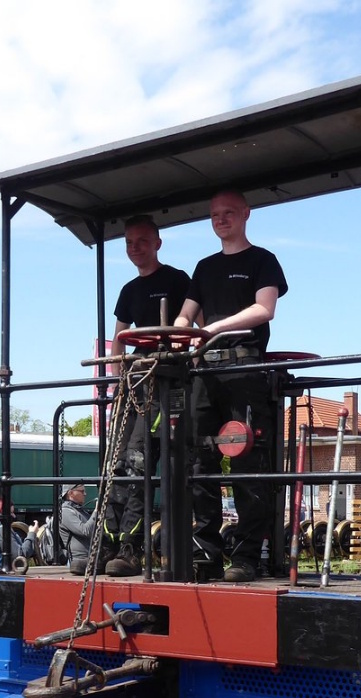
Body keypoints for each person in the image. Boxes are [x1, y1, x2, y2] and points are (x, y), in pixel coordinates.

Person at [175, 190, 288, 583]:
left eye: (228, 213)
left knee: (247, 461)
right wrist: (179, 335)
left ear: (245, 214)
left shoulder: (263, 260)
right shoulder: (204, 267)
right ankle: (205, 555)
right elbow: (185, 316)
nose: (220, 220)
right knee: (199, 461)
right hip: (204, 372)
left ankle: (246, 558)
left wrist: (214, 328)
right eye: (214, 215)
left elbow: (264, 309)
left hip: (245, 369)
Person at [102, 216, 191, 576]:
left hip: (164, 380)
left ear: (157, 243)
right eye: (129, 242)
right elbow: (119, 338)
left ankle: (131, 548)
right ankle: (107, 544)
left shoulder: (177, 280)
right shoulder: (128, 291)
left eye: (141, 241)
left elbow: (191, 326)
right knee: (116, 462)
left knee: (139, 460)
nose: (135, 248)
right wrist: (116, 381)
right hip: (133, 382)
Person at [57, 480, 99, 574]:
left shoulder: (79, 511)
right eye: (82, 491)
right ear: (71, 493)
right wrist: (96, 511)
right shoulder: (65, 512)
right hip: (78, 562)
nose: (85, 494)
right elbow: (86, 531)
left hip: (89, 559)